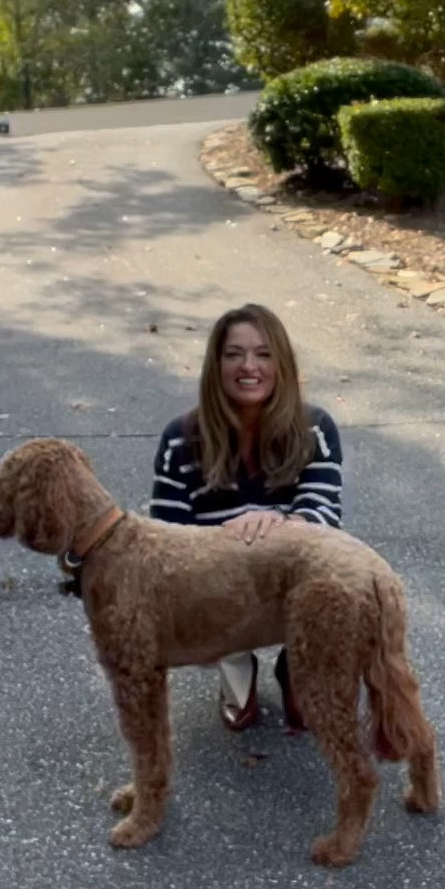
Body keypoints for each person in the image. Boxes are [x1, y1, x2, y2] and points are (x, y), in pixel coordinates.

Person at [150, 303, 343, 732]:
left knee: (332, 572)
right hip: (218, 582)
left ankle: (300, 669)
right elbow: (165, 537)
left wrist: (271, 519)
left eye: (263, 354)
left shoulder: (315, 428)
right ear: (216, 364)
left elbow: (323, 512)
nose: (248, 366)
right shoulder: (179, 438)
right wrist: (226, 542)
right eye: (234, 354)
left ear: (282, 363)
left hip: (294, 572)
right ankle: (237, 670)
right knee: (242, 714)